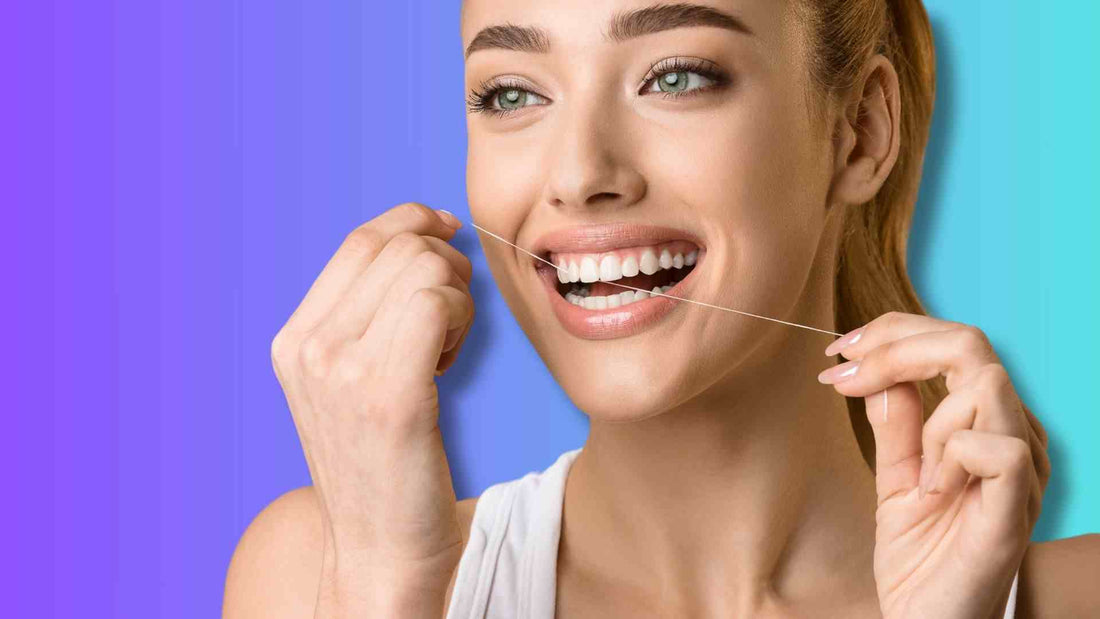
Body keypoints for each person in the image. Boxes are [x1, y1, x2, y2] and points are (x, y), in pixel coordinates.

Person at [223, 1, 1100, 617]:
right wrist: (383, 590)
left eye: (675, 77)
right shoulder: (321, 573)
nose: (579, 173)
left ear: (860, 131)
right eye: (512, 94)